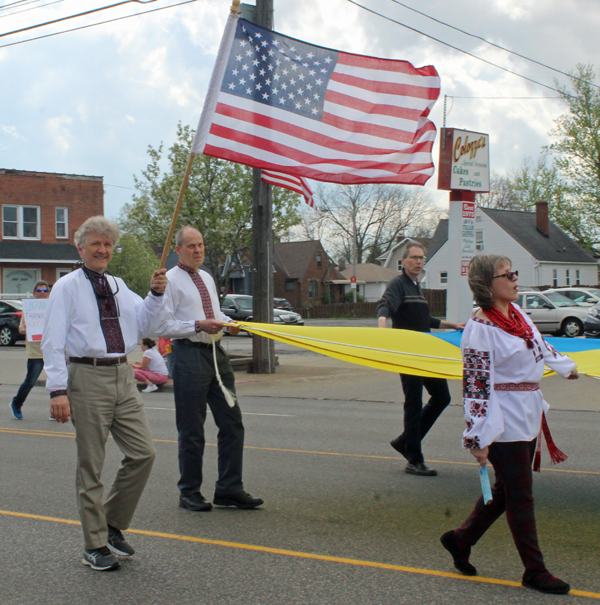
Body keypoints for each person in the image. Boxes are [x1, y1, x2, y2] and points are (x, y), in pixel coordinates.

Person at [440, 254, 578, 595]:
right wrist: (476, 436)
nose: (516, 278)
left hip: (528, 412)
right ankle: (535, 570)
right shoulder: (479, 329)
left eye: (513, 272)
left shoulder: (518, 315)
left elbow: (540, 346)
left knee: (506, 491)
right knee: (521, 496)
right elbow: (475, 386)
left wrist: (565, 366)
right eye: (507, 274)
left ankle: (460, 539)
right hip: (501, 420)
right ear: (488, 285)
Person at [41, 216, 168, 572]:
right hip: (86, 376)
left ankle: (111, 523)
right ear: (80, 248)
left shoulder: (117, 285)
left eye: (108, 244)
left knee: (144, 453)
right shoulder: (66, 287)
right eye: (95, 243)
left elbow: (146, 323)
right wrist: (57, 389)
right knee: (91, 466)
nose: (102, 249)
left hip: (122, 375)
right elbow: (51, 340)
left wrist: (156, 293)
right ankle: (94, 544)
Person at [156, 226, 263, 512]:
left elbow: (213, 315)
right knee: (192, 429)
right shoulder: (169, 281)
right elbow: (162, 326)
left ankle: (229, 488)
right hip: (188, 356)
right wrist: (198, 326)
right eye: (191, 246)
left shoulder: (206, 277)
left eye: (201, 244)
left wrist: (231, 323)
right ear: (178, 249)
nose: (198, 250)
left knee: (232, 422)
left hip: (216, 354)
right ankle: (189, 491)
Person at [377, 241, 465, 476]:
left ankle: (405, 441)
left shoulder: (417, 286)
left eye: (422, 258)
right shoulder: (398, 284)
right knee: (414, 403)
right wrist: (382, 322)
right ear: (403, 261)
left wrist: (451, 324)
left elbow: (425, 319)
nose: (418, 261)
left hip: (425, 352)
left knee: (442, 396)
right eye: (414, 257)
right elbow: (386, 305)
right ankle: (414, 460)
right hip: (408, 353)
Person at [10, 280, 50, 420]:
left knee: (57, 381)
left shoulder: (52, 307)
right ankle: (16, 403)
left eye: (45, 290)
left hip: (52, 350)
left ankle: (55, 409)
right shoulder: (29, 309)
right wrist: (27, 328)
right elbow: (21, 329)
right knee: (31, 381)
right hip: (36, 352)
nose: (43, 293)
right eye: (39, 291)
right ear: (34, 293)